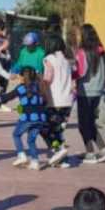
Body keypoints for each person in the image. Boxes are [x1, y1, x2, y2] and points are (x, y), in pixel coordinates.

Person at [73, 24, 105, 164]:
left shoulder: (82, 52)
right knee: (90, 123)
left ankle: (90, 153)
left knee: (83, 124)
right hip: (97, 91)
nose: (77, 37)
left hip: (85, 91)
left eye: (78, 35)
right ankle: (103, 150)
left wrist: (71, 74)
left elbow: (81, 72)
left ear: (84, 36)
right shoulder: (101, 51)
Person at [0, 67, 46, 171]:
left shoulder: (21, 88)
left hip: (28, 118)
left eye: (19, 76)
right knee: (31, 140)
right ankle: (35, 162)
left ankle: (21, 155)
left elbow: (7, 97)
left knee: (16, 134)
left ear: (23, 77)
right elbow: (44, 101)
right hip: (40, 118)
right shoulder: (39, 86)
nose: (18, 78)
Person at [41, 34, 74, 167]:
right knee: (58, 130)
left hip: (54, 100)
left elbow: (48, 78)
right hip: (67, 101)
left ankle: (58, 151)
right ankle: (62, 160)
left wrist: (40, 86)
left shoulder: (49, 59)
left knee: (44, 128)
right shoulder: (66, 60)